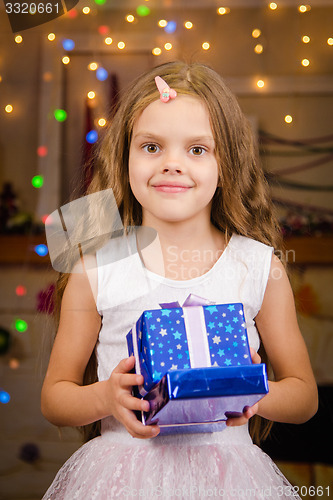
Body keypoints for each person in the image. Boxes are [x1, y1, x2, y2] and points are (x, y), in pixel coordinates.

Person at [41, 61, 318, 499]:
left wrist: (254, 392)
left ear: (227, 162)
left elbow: (304, 397)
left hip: (231, 483)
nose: (172, 164)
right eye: (151, 147)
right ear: (124, 156)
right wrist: (105, 398)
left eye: (197, 149)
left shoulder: (260, 267)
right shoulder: (94, 269)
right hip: (122, 480)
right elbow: (55, 397)